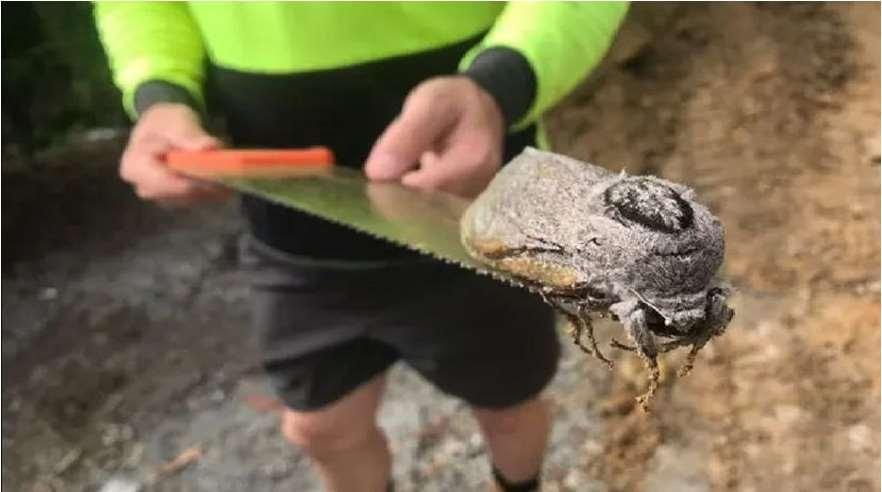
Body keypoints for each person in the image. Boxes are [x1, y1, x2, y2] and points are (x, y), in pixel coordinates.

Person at [94, 3, 627, 491]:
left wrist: (499, 84)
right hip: (294, 237)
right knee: (322, 430)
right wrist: (159, 94)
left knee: (509, 406)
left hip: (480, 223)